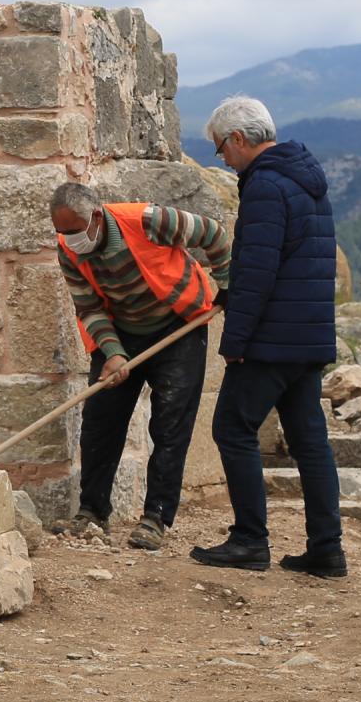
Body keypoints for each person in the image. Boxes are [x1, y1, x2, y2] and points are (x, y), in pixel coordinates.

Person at [192, 96, 346, 577]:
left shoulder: (264, 186)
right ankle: (327, 548)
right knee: (310, 442)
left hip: (272, 340)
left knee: (232, 430)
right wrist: (228, 296)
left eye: (221, 150)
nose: (223, 159)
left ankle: (249, 540)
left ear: (238, 139)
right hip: (309, 335)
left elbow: (257, 272)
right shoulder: (307, 180)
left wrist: (235, 343)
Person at [50, 180, 233, 550]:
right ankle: (92, 512)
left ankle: (156, 517)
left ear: (97, 217)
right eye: (61, 232)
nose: (69, 239)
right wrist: (113, 352)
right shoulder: (68, 250)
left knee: (170, 424)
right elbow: (88, 306)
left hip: (178, 325)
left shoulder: (149, 220)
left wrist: (228, 285)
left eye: (74, 230)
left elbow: (213, 233)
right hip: (120, 330)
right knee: (100, 421)